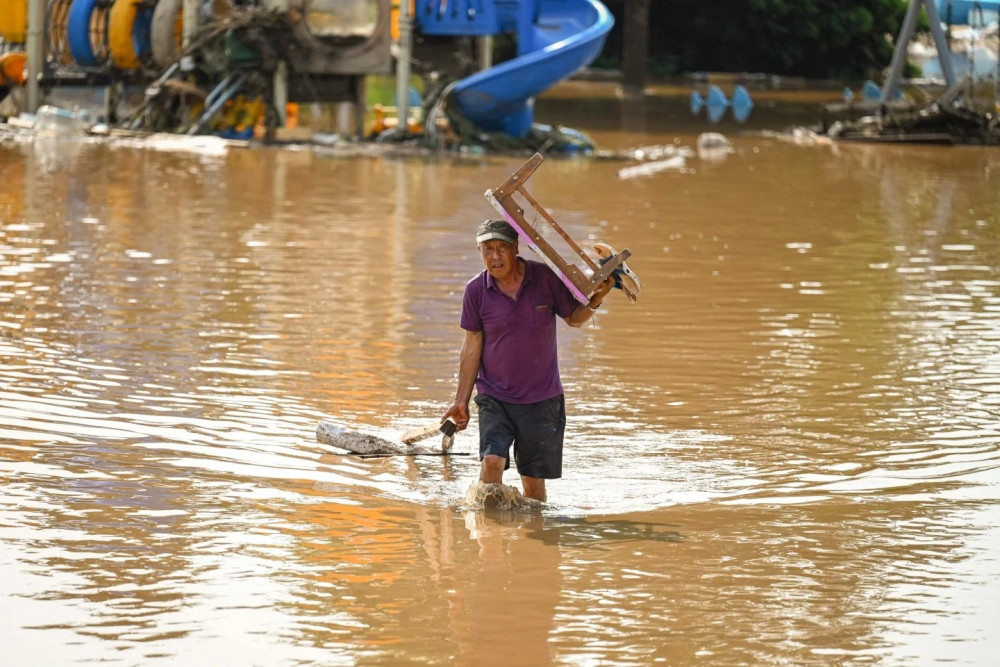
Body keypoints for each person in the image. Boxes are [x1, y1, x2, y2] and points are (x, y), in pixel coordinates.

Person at [442, 219, 613, 502]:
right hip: (495, 395)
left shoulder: (544, 278)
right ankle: (489, 540)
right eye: (488, 250)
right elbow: (471, 346)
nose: (495, 256)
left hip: (542, 399)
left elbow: (574, 318)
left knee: (533, 488)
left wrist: (597, 298)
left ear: (516, 248)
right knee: (492, 462)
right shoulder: (476, 291)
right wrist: (461, 400)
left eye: (502, 248)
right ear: (480, 252)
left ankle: (533, 539)